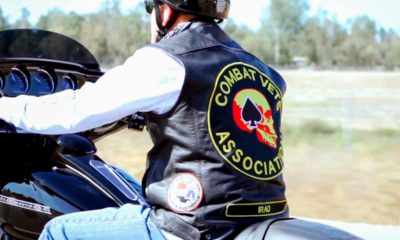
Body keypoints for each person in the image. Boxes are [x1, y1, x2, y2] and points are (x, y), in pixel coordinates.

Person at [0, 0, 288, 239]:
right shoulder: (260, 69)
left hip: (197, 226)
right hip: (258, 216)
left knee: (58, 230)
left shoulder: (167, 60)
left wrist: (7, 109)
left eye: (151, 5)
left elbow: (74, 111)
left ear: (167, 10)